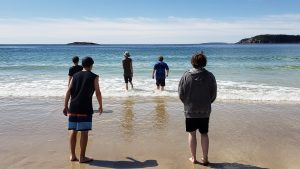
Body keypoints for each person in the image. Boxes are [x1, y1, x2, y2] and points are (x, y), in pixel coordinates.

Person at [178, 52, 217, 165]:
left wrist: (187, 103)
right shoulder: (210, 76)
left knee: (192, 133)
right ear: (204, 62)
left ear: (192, 62)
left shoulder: (186, 75)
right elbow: (213, 94)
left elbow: (181, 93)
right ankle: (205, 159)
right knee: (204, 134)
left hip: (190, 110)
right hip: (205, 110)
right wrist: (208, 102)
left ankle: (193, 158)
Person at [63, 56, 103, 163]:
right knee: (84, 132)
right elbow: (98, 92)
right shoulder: (94, 76)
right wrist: (100, 105)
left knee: (73, 131)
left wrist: (65, 105)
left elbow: (69, 90)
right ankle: (82, 157)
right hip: (85, 107)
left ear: (83, 64)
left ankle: (72, 155)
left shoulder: (75, 75)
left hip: (73, 106)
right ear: (91, 65)